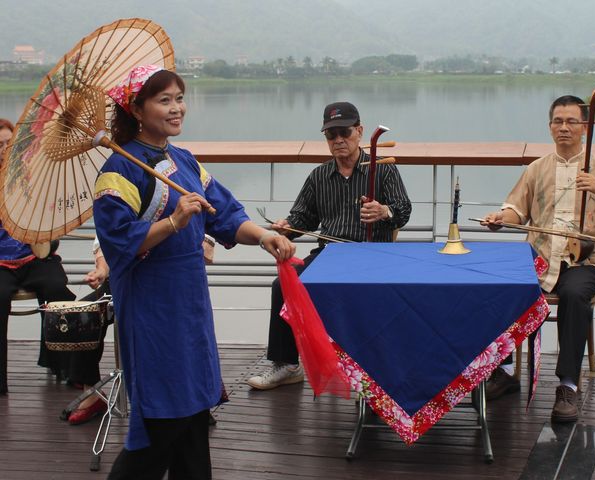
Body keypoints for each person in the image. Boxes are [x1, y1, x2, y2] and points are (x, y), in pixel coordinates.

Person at [94, 65, 295, 479]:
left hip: (190, 303)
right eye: (164, 100)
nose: (177, 108)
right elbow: (119, 245)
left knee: (192, 415)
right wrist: (173, 222)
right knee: (161, 422)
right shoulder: (118, 172)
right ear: (136, 108)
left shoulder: (183, 160)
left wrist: (262, 237)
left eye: (179, 98)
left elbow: (223, 213)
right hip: (151, 306)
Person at [482, 95, 595, 423]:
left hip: (584, 263)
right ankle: (505, 370)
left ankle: (568, 386)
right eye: (558, 122)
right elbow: (516, 210)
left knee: (574, 294)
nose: (564, 128)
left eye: (571, 122)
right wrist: (499, 217)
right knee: (501, 283)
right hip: (539, 257)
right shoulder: (538, 168)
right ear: (550, 127)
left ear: (585, 127)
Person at [246, 101, 412, 390]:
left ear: (359, 132)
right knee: (283, 284)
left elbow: (404, 210)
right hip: (330, 254)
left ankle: (376, 367)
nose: (338, 140)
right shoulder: (319, 176)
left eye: (344, 132)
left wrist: (384, 212)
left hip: (374, 254)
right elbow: (303, 218)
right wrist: (287, 226)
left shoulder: (382, 170)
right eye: (330, 135)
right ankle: (286, 364)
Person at [0, 118, 76, 395]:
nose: (5, 149)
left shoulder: (34, 179)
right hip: (0, 263)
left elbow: (52, 225)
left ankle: (59, 363)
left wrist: (48, 240)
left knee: (58, 291)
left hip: (34, 258)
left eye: (10, 144)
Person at [63, 239, 112, 425]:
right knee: (82, 314)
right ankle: (92, 392)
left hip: (160, 282)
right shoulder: (113, 209)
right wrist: (101, 271)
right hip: (120, 282)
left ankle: (192, 400)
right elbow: (105, 244)